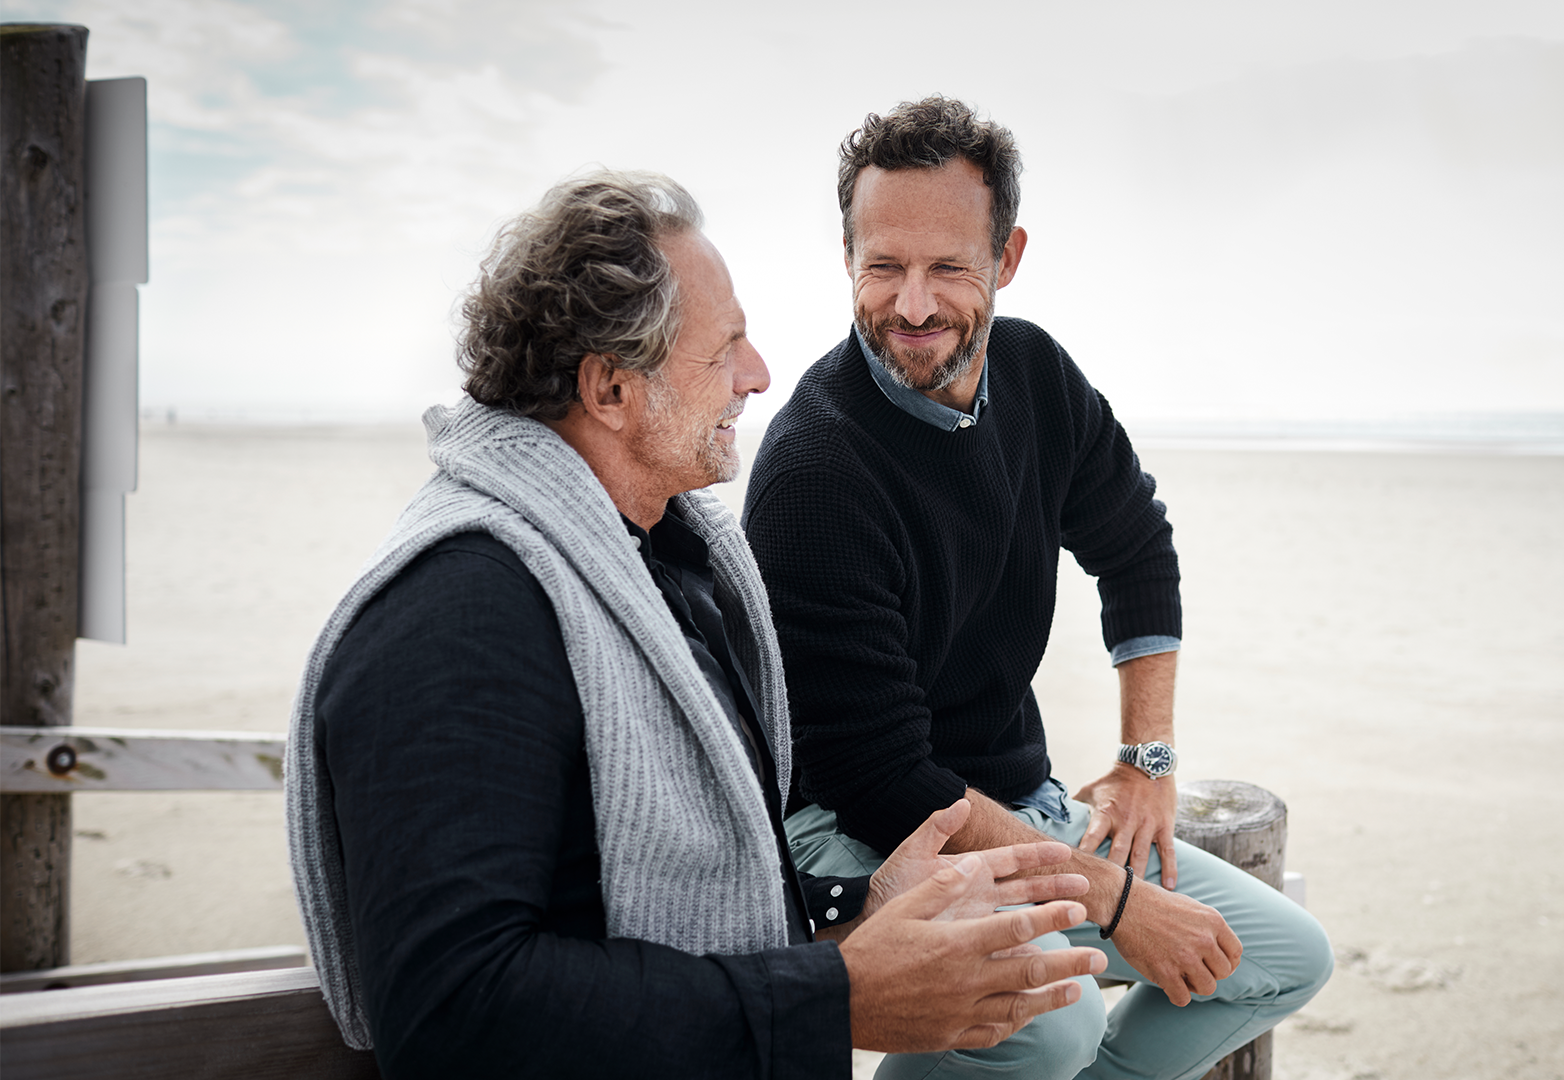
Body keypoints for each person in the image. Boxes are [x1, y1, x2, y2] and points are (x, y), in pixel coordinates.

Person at [283, 170, 1108, 1080]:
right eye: (725, 350)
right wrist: (834, 996)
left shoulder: (666, 565)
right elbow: (452, 1011)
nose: (758, 376)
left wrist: (854, 908)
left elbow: (661, 897)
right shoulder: (461, 619)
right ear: (610, 390)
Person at [743, 97, 1335, 1080]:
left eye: (949, 268)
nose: (915, 306)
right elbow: (890, 781)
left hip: (1022, 803)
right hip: (862, 826)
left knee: (1282, 959)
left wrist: (1146, 760)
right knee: (1046, 1019)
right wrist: (1111, 900)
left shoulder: (1036, 374)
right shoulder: (815, 473)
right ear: (847, 256)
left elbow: (1137, 547)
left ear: (1007, 258)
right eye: (883, 266)